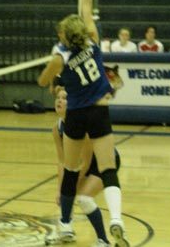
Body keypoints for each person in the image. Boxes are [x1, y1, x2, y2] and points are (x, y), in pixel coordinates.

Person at [38, 0, 130, 247]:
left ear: (64, 37)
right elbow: (87, 4)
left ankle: (65, 225)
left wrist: (51, 67)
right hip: (100, 111)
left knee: (71, 170)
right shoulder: (91, 38)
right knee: (109, 169)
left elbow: (42, 81)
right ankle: (116, 219)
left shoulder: (60, 57)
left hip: (76, 115)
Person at [51, 81, 121, 247]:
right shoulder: (57, 128)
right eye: (58, 98)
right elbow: (63, 162)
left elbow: (87, 161)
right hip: (79, 165)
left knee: (83, 198)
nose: (60, 101)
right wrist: (60, 189)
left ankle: (103, 240)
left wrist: (72, 187)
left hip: (103, 162)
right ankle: (66, 229)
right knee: (67, 193)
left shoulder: (83, 125)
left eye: (64, 98)